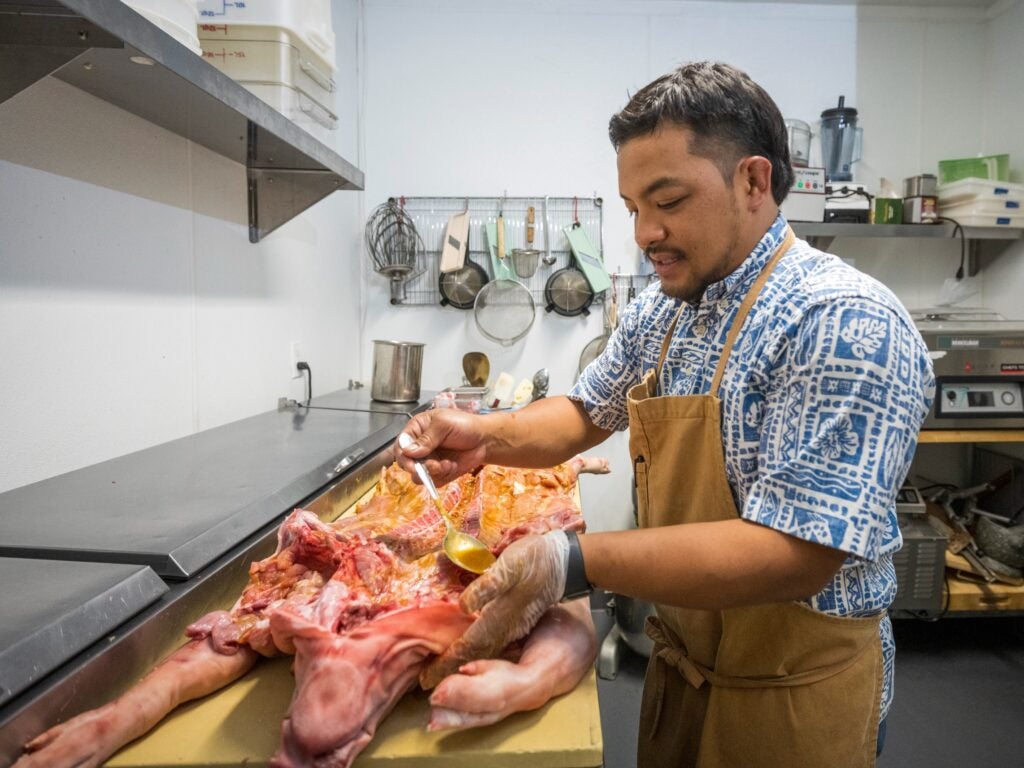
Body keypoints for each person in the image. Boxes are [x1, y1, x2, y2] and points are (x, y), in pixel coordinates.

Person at [397, 61, 935, 768]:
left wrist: (572, 561)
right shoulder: (665, 309)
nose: (645, 232)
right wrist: (484, 437)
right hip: (685, 674)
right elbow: (586, 413)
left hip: (795, 700)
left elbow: (795, 554)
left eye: (669, 199)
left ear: (753, 182)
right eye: (632, 208)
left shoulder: (841, 321)